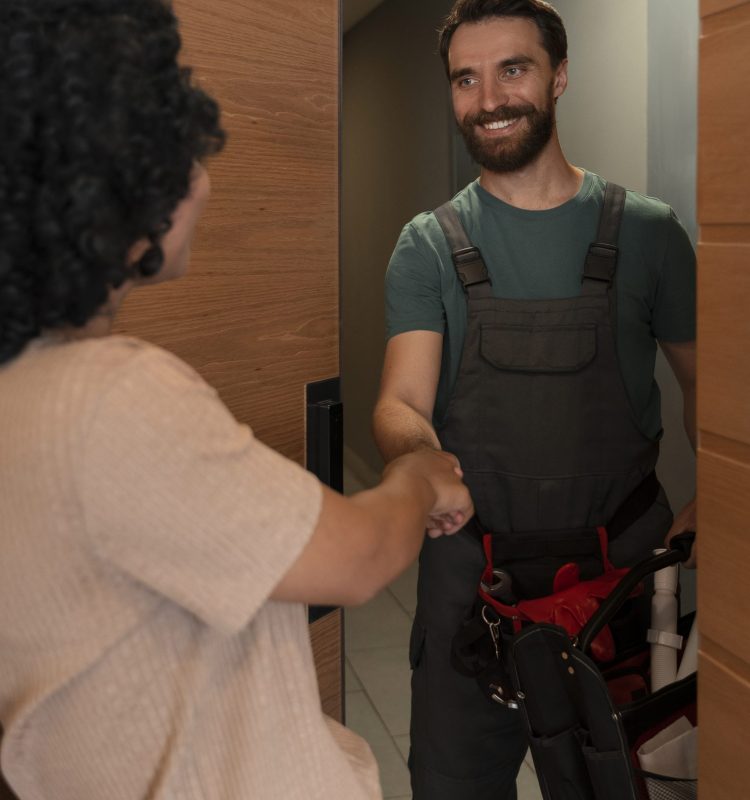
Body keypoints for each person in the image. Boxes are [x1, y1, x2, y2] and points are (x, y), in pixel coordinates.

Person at [0, 2, 474, 799]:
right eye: (183, 153)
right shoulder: (111, 400)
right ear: (112, 180)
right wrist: (423, 478)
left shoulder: (26, 388)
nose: (205, 181)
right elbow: (356, 560)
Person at [372, 1, 697, 798]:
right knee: (455, 785)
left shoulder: (650, 234)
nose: (489, 100)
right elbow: (399, 403)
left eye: (512, 69)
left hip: (622, 576)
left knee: (622, 782)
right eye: (466, 79)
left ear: (558, 77)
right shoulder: (429, 245)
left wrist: (718, 508)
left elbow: (719, 403)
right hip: (474, 582)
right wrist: (421, 457)